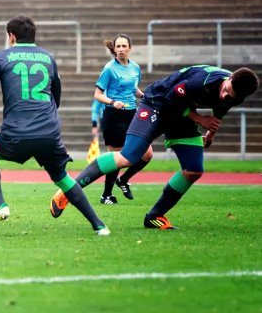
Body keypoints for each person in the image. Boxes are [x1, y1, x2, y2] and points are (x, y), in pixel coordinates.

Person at [0, 15, 110, 235]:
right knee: (62, 178)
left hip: (17, 132)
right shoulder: (48, 58)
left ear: (11, 36)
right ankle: (99, 225)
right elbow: (56, 94)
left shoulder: (1, 58)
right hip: (49, 132)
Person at [50, 65, 259, 230]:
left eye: (231, 96)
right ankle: (68, 191)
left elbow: (220, 108)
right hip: (157, 104)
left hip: (182, 114)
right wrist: (199, 119)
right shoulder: (202, 81)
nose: (225, 96)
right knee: (127, 157)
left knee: (193, 170)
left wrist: (210, 133)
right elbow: (171, 98)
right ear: (229, 78)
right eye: (225, 90)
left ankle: (154, 216)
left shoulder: (236, 93)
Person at [93, 34, 152, 204]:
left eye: (124, 46)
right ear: (114, 49)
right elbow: (97, 94)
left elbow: (133, 89)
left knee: (147, 154)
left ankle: (124, 179)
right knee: (117, 157)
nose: (121, 49)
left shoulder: (135, 68)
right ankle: (106, 195)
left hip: (133, 114)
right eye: (118, 46)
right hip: (114, 115)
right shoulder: (109, 69)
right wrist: (113, 102)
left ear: (129, 48)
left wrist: (145, 96)